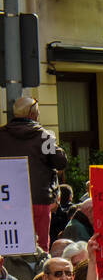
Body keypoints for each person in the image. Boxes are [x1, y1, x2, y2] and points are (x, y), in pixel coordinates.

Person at [0, 96, 67, 249]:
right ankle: (39, 272)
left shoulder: (1, 136)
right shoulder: (44, 136)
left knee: (9, 244)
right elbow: (60, 162)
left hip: (7, 200)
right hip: (38, 199)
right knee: (40, 246)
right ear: (32, 115)